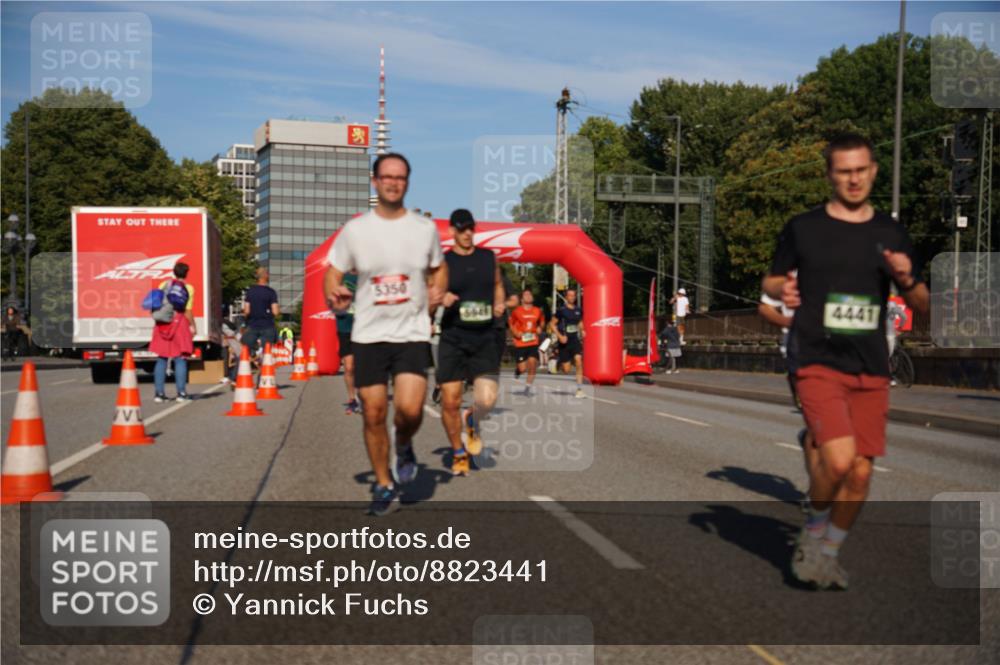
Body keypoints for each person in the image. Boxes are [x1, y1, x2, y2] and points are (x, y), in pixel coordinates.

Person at [763, 133, 929, 590]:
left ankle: (827, 554)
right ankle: (811, 536)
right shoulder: (804, 228)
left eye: (861, 170)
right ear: (830, 175)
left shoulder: (891, 233)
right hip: (817, 357)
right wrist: (784, 291)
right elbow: (772, 281)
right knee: (837, 462)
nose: (853, 179)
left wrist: (907, 277)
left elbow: (923, 301)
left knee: (860, 472)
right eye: (843, 171)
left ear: (873, 171)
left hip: (871, 364)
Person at [324, 153, 447, 516]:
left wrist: (436, 297)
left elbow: (439, 270)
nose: (394, 182)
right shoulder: (356, 230)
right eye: (387, 177)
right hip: (369, 335)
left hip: (411, 332)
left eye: (401, 177)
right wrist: (336, 293)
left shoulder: (424, 230)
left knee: (409, 411)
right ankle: (382, 482)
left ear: (407, 182)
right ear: (375, 181)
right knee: (373, 413)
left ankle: (404, 442)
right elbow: (332, 271)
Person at [437, 209, 506, 476]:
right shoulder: (444, 262)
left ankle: (472, 419)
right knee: (450, 401)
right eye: (462, 228)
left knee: (488, 399)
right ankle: (457, 452)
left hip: (483, 336)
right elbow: (434, 290)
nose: (467, 233)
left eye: (471, 228)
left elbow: (498, 284)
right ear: (452, 231)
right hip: (453, 337)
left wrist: (499, 301)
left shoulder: (488, 258)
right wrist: (441, 298)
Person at [150, 262, 196, 402]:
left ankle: (159, 394)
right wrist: (193, 325)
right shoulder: (188, 288)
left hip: (163, 323)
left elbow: (157, 303)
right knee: (180, 357)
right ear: (186, 273)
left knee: (162, 357)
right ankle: (181, 393)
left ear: (174, 272)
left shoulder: (163, 284)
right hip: (179, 323)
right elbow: (187, 310)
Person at [549, 288, 586, 398]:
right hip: (564, 341)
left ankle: (579, 389)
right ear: (566, 297)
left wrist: (582, 330)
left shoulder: (579, 310)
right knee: (566, 370)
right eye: (570, 295)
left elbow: (579, 322)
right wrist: (559, 336)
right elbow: (551, 324)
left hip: (574, 340)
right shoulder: (561, 310)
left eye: (573, 295)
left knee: (579, 360)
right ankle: (558, 361)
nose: (572, 297)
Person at [508, 289, 545, 396]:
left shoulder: (538, 310)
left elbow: (542, 321)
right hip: (521, 343)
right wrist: (515, 332)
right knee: (523, 368)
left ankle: (527, 389)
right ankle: (518, 370)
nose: (529, 296)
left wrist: (540, 328)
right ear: (522, 299)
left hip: (533, 342)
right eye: (526, 295)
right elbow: (511, 323)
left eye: (530, 294)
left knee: (533, 365)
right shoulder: (516, 311)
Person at [242, 267, 280, 359]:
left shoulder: (250, 291)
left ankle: (252, 355)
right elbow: (275, 312)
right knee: (267, 352)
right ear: (266, 276)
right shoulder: (271, 292)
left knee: (245, 348)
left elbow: (246, 311)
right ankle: (264, 370)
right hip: (268, 326)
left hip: (252, 325)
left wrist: (245, 320)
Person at [337, 271, 360, 414]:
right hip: (345, 328)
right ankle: (352, 399)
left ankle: (365, 396)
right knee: (349, 367)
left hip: (365, 328)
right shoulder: (339, 277)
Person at [493, 272, 518, 374]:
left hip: (498, 324)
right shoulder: (473, 273)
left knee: (495, 360)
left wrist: (503, 304)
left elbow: (514, 300)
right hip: (477, 325)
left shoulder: (503, 279)